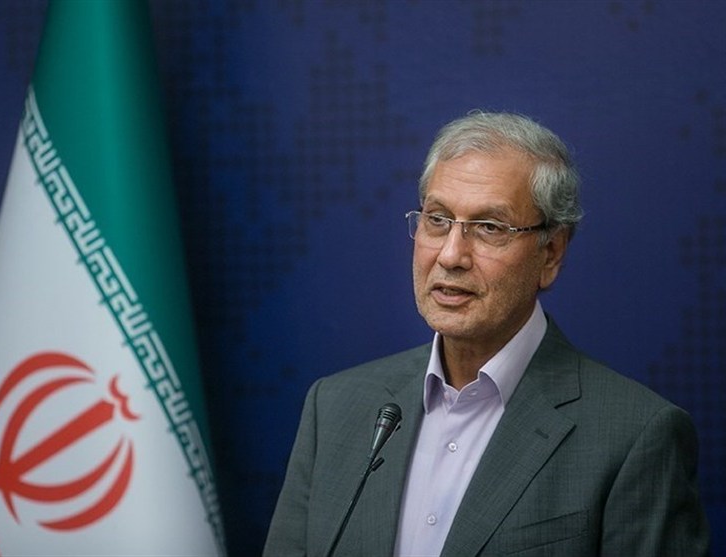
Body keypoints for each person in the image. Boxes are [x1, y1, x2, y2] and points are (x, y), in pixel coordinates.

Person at [263, 111, 710, 556]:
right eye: (437, 219)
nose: (451, 256)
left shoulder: (636, 436)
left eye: (490, 228)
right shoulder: (334, 407)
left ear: (551, 254)